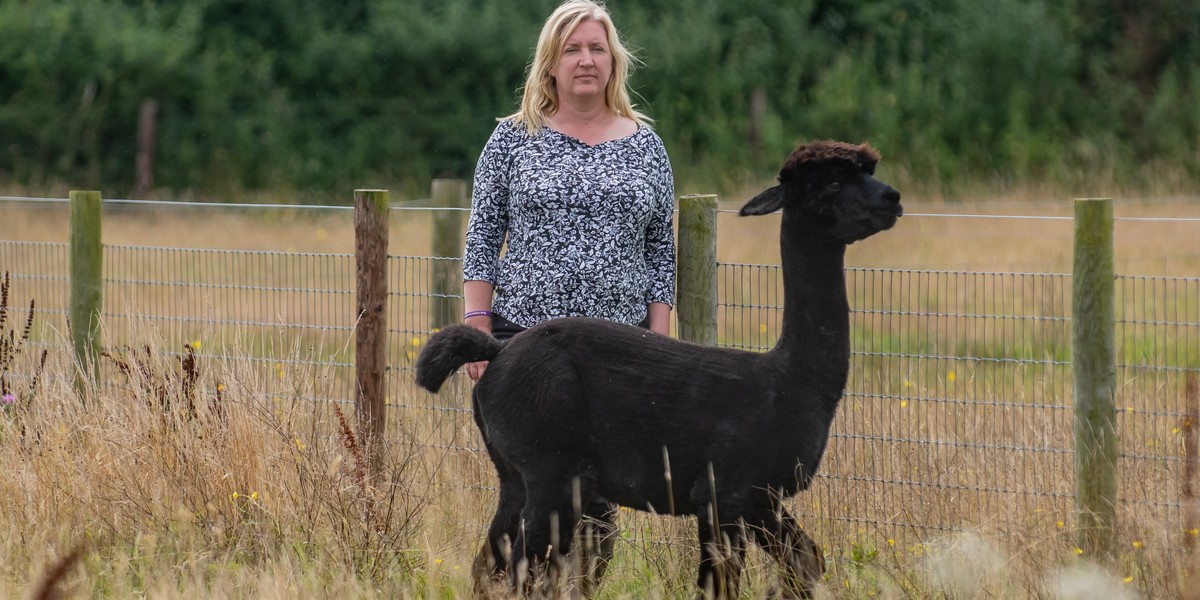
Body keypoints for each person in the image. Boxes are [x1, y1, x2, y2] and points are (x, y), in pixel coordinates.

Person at [461, 0, 676, 382]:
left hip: (624, 345)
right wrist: (477, 323)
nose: (586, 60)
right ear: (550, 65)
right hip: (525, 338)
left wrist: (659, 343)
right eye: (572, 50)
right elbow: (482, 237)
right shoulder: (512, 139)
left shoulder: (647, 146)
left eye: (597, 49)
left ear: (613, 62)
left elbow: (660, 252)